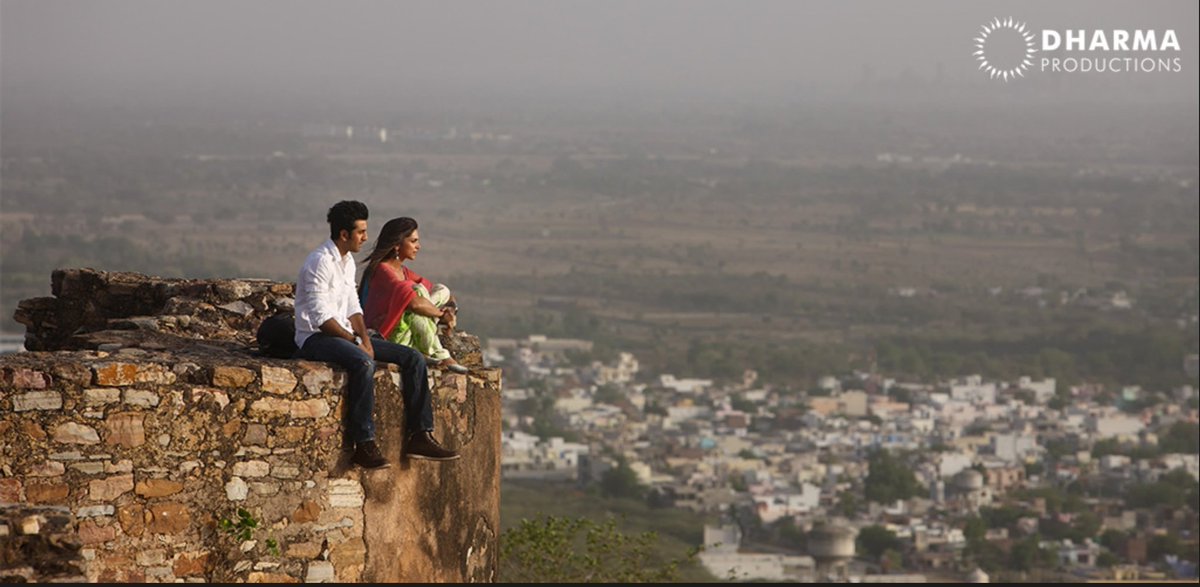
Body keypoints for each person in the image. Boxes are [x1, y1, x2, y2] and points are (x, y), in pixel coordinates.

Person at [293, 200, 460, 468]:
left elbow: (353, 307)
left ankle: (420, 435)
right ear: (344, 234)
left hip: (346, 334)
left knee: (413, 359)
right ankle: (364, 443)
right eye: (360, 232)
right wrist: (357, 342)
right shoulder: (319, 262)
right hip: (315, 338)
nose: (366, 237)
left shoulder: (346, 262)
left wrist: (366, 338)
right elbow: (321, 318)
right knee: (362, 362)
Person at [359, 216, 469, 374]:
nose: (418, 246)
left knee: (441, 289)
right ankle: (441, 355)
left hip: (407, 333)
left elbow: (444, 294)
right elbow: (414, 304)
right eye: (413, 241)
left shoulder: (402, 271)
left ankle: (427, 350)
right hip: (386, 337)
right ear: (397, 245)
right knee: (415, 292)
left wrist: (451, 308)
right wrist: (441, 315)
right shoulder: (382, 270)